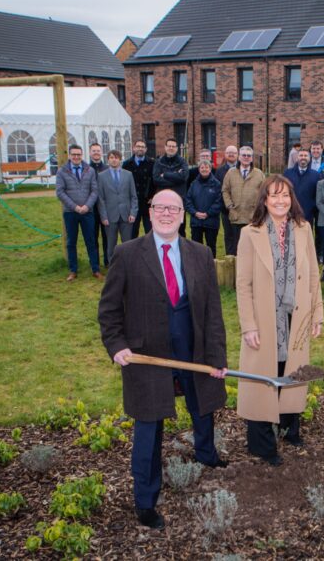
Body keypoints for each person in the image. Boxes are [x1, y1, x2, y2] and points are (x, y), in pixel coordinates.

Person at [98, 188, 229, 529]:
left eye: (174, 208)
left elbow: (213, 311)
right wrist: (117, 346)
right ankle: (145, 500)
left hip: (192, 345)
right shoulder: (127, 254)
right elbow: (109, 309)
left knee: (202, 402)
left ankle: (206, 454)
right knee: (148, 426)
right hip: (147, 353)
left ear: (183, 215)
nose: (167, 213)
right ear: (150, 211)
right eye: (160, 208)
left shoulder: (201, 253)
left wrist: (216, 354)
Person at [235, 175, 324, 466]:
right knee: (263, 376)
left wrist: (316, 314)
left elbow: (312, 275)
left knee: (293, 371)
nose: (280, 201)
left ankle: (289, 428)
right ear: (264, 199)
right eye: (274, 196)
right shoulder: (251, 233)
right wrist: (248, 325)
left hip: (295, 314)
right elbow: (243, 283)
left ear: (291, 198)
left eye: (284, 195)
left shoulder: (304, 229)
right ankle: (261, 443)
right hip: (263, 318)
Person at [56, 144, 102, 282]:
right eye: (73, 154)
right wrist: (75, 207)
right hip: (70, 212)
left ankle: (95, 269)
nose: (76, 157)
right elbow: (60, 192)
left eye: (78, 154)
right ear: (69, 156)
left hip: (87, 212)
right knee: (71, 242)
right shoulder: (62, 171)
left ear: (82, 155)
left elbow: (95, 190)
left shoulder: (90, 170)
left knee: (91, 241)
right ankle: (73, 270)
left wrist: (87, 206)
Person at [222, 146, 265, 255]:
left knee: (251, 247)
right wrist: (229, 206)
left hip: (252, 217)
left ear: (251, 158)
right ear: (239, 157)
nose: (246, 157)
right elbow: (225, 190)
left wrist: (258, 209)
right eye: (244, 155)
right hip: (235, 216)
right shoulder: (231, 173)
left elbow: (264, 193)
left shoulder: (259, 174)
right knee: (235, 246)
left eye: (248, 155)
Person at [97, 149, 138, 262]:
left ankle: (128, 266)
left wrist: (133, 213)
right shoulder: (101, 176)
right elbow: (101, 199)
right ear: (108, 159)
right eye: (111, 157)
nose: (114, 160)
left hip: (126, 215)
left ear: (120, 159)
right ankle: (112, 267)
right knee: (111, 244)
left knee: (128, 244)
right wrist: (104, 216)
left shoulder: (128, 175)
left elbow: (133, 196)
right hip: (110, 217)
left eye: (116, 158)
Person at [184, 160, 223, 258]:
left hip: (211, 222)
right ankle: (197, 268)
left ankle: (211, 266)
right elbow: (188, 201)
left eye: (207, 167)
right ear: (199, 169)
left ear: (210, 169)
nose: (204, 169)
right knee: (196, 247)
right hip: (196, 222)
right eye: (202, 167)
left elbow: (219, 202)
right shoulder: (193, 184)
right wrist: (195, 212)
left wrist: (208, 213)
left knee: (211, 247)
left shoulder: (217, 184)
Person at [152, 138, 190, 237]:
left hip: (179, 200)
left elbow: (183, 177)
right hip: (162, 201)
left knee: (180, 228)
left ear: (177, 148)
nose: (171, 148)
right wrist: (175, 176)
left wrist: (165, 175)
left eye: (173, 146)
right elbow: (156, 179)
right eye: (169, 146)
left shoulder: (182, 161)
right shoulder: (159, 162)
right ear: (165, 147)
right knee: (161, 227)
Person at [123, 139, 154, 237]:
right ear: (133, 148)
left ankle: (151, 251)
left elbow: (155, 182)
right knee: (132, 232)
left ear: (146, 149)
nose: (140, 148)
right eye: (138, 146)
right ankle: (133, 252)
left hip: (148, 202)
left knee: (150, 232)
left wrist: (153, 196)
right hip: (133, 203)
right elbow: (124, 183)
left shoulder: (152, 163)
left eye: (142, 147)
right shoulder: (126, 164)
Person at [283, 146, 320, 224]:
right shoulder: (287, 173)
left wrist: (312, 207)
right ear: (297, 158)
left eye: (306, 156)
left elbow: (318, 195)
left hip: (308, 214)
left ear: (309, 158)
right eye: (301, 155)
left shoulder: (316, 175)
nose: (303, 157)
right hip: (290, 213)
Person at [88, 143, 110, 267]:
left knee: (107, 237)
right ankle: (95, 263)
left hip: (106, 208)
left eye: (98, 150)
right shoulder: (86, 168)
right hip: (91, 209)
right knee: (93, 237)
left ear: (101, 152)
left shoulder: (107, 168)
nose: (96, 153)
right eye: (93, 151)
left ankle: (108, 261)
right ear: (90, 152)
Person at [215, 145, 239, 255]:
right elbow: (218, 190)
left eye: (233, 152)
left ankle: (240, 258)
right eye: (229, 152)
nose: (231, 154)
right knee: (228, 234)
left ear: (237, 155)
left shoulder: (242, 169)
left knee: (239, 235)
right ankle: (230, 258)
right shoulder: (219, 171)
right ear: (225, 154)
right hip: (225, 210)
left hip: (240, 209)